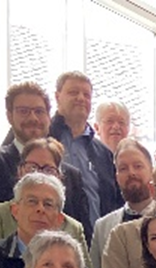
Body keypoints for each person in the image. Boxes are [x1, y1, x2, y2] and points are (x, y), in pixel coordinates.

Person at [0, 81, 90, 244]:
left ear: (48, 117)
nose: (33, 118)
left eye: (39, 111)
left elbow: (82, 232)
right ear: (9, 116)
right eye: (23, 111)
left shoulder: (72, 175)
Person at [0, 138, 91, 268]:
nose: (40, 174)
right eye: (33, 167)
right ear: (20, 171)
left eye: (48, 169)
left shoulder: (73, 227)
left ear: (59, 176)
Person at [50, 70, 121, 232]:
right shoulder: (41, 140)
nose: (81, 98)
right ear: (57, 96)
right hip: (51, 243)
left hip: (96, 245)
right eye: (73, 92)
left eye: (86, 95)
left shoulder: (104, 153)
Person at [89, 139, 155, 268]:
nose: (131, 173)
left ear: (151, 170)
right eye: (123, 168)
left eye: (138, 166)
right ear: (116, 176)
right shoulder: (102, 226)